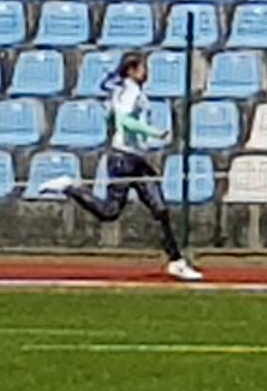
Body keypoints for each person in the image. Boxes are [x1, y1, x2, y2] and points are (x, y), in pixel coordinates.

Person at [35, 58, 200, 281]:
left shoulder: (121, 91)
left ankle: (176, 261)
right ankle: (70, 187)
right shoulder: (129, 92)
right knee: (110, 212)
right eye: (143, 68)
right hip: (123, 159)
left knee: (160, 209)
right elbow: (124, 121)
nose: (147, 72)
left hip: (137, 159)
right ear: (131, 70)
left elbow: (113, 118)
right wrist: (152, 131)